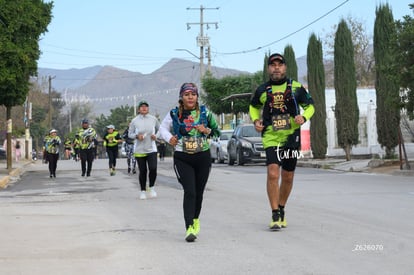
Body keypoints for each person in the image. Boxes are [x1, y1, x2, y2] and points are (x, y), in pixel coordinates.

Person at [249, 53, 315, 231]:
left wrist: (304, 116)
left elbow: (311, 106)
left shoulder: (296, 87)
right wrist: (256, 121)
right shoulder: (262, 90)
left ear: (285, 67)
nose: (276, 67)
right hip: (271, 136)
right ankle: (275, 213)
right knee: (272, 173)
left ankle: (282, 207)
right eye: (273, 65)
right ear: (268, 68)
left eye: (280, 64)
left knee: (288, 176)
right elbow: (253, 107)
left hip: (291, 136)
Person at [159, 82, 220, 242]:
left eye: (193, 94)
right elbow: (162, 128)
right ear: (182, 97)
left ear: (197, 96)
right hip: (182, 157)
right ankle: (189, 228)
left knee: (199, 192)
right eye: (187, 94)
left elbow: (216, 132)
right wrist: (169, 138)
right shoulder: (174, 113)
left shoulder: (205, 113)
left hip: (202, 156)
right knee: (190, 191)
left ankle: (195, 219)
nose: (190, 97)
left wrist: (205, 131)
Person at [128, 100, 160, 200]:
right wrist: (137, 136)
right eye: (142, 106)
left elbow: (161, 129)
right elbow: (130, 134)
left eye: (146, 106)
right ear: (139, 109)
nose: (144, 108)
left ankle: (152, 187)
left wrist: (156, 136)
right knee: (143, 171)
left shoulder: (154, 119)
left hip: (152, 148)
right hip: (139, 149)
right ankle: (142, 191)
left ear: (148, 108)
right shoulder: (134, 121)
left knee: (153, 168)